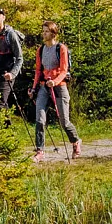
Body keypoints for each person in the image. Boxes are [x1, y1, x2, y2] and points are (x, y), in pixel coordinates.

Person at [31, 20, 81, 161]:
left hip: (59, 87)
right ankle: (40, 151)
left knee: (64, 121)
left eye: (46, 31)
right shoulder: (40, 50)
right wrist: (34, 88)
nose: (44, 33)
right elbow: (38, 71)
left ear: (53, 33)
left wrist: (55, 81)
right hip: (44, 87)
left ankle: (75, 141)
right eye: (43, 31)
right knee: (40, 120)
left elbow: (64, 70)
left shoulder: (61, 48)